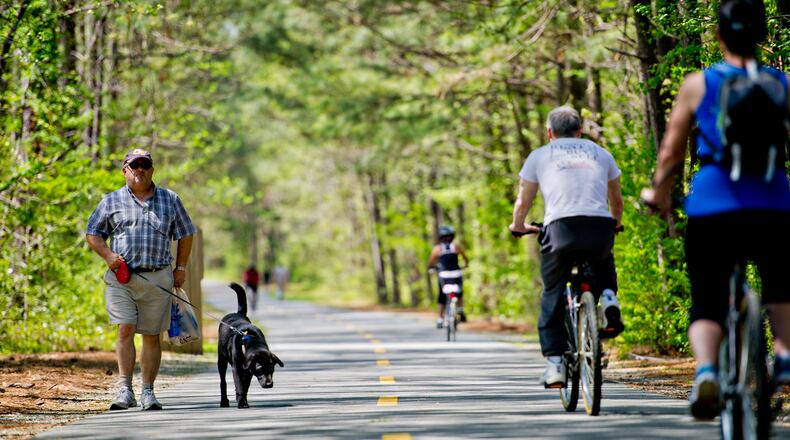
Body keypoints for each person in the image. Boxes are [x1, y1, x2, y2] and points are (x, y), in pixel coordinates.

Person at [640, 0, 790, 419]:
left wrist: (658, 194)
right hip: (774, 202)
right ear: (761, 34)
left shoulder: (698, 84)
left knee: (707, 296)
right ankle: (784, 354)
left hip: (713, 204)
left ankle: (706, 370)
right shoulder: (782, 83)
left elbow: (671, 153)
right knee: (781, 285)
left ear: (719, 35)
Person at [509, 106, 624, 388]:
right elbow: (617, 201)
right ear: (580, 130)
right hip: (598, 226)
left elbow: (523, 202)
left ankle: (555, 365)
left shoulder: (539, 156)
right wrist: (615, 225)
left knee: (552, 291)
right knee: (602, 262)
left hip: (560, 230)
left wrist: (518, 226)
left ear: (550, 133)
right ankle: (609, 299)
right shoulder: (601, 153)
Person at [86, 148, 196, 411]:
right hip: (121, 278)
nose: (140, 170)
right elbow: (93, 233)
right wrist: (108, 255)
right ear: (125, 170)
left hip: (158, 276)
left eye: (145, 165)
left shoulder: (170, 199)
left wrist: (181, 267)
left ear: (152, 170)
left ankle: (148, 391)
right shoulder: (111, 201)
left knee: (150, 335)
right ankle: (125, 390)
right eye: (135, 165)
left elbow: (186, 233)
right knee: (125, 328)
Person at [427, 225, 470, 328]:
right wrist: (465, 265)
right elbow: (465, 259)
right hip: (456, 274)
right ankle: (461, 310)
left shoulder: (438, 249)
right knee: (459, 293)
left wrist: (431, 268)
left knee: (442, 296)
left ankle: (440, 318)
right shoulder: (456, 247)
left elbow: (430, 263)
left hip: (444, 275)